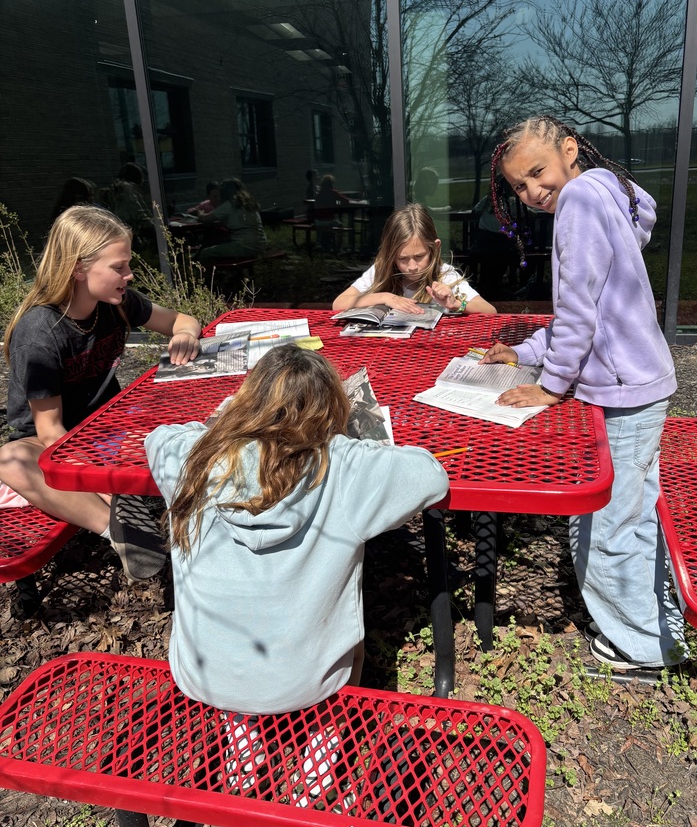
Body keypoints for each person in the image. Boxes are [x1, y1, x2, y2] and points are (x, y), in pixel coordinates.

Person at [145, 344, 448, 792]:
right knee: (352, 635)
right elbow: (429, 475)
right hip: (311, 680)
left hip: (206, 674)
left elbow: (159, 437)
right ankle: (322, 750)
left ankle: (243, 744)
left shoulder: (195, 456)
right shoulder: (344, 466)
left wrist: (226, 420)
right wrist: (345, 443)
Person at [482, 115, 683, 671]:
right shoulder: (605, 194)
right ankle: (656, 622)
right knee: (637, 513)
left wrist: (549, 386)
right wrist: (522, 354)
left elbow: (576, 312)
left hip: (621, 393)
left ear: (570, 150)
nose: (532, 192)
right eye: (519, 186)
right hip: (643, 384)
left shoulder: (578, 204)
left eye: (538, 172)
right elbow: (587, 310)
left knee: (601, 524)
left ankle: (640, 648)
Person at [0, 205, 202, 582]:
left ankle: (139, 517)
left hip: (112, 426)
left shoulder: (117, 303)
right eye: (119, 267)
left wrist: (185, 335)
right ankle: (122, 531)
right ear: (78, 269)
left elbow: (180, 319)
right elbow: (49, 432)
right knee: (10, 459)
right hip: (54, 444)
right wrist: (110, 489)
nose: (129, 274)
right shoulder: (40, 333)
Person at [332, 203, 496, 316]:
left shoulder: (445, 275)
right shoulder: (381, 269)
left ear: (435, 248)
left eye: (419, 256)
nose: (412, 267)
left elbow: (489, 310)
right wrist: (385, 297)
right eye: (402, 258)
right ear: (390, 254)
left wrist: (456, 304)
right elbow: (339, 303)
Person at [196, 177, 267, 261]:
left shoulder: (230, 204)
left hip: (245, 247)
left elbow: (205, 219)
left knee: (205, 253)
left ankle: (205, 271)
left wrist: (200, 213)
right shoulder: (248, 203)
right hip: (261, 245)